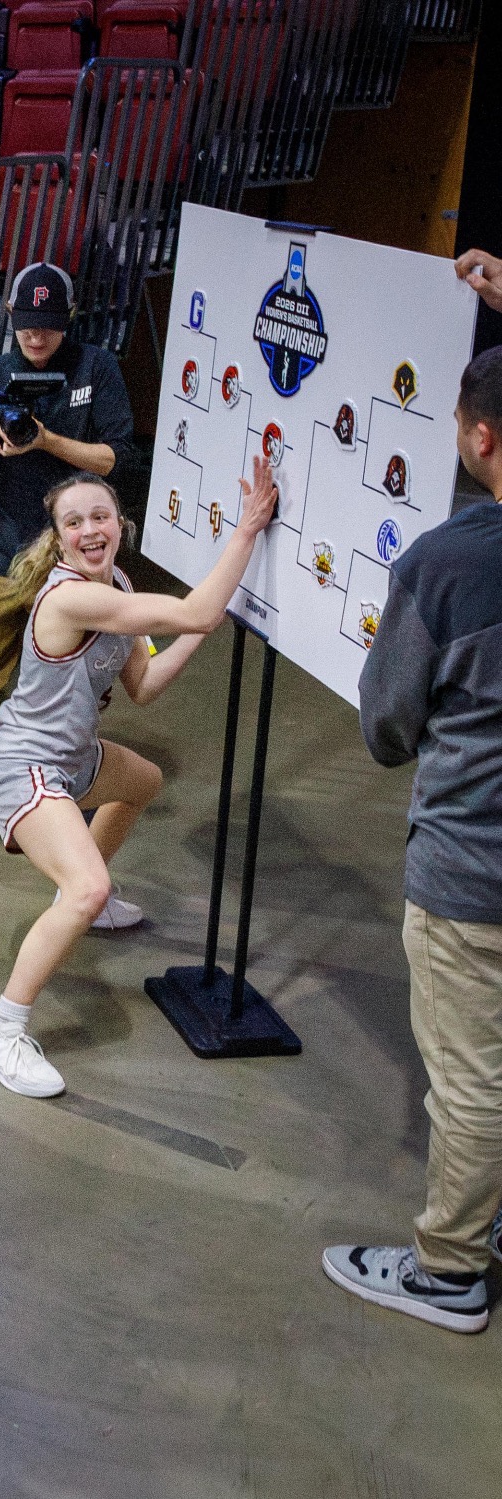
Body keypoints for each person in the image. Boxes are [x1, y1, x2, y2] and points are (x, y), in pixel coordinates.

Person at [0, 465, 277, 1099]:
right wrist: (247, 530)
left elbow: (143, 686)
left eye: (100, 517)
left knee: (143, 782)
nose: (89, 531)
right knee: (84, 887)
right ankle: (0, 1031)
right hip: (22, 765)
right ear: (57, 540)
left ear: (120, 524)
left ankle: (87, 900)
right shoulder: (70, 597)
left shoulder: (120, 585)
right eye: (73, 522)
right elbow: (191, 607)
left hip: (73, 755)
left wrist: (203, 627)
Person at [322, 348, 502, 1334]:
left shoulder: (448, 561)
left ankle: (447, 1269)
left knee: (469, 1082)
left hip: (474, 869)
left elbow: (386, 727)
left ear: (476, 436)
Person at [0, 264, 134, 742]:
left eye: (48, 323)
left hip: (75, 551)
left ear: (69, 315)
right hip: (4, 546)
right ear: (9, 313)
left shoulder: (96, 366)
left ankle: (62, 773)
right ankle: (22, 750)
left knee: (75, 691)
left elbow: (119, 458)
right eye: (25, 322)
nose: (36, 335)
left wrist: (46, 440)